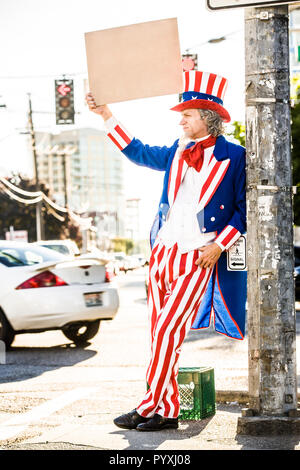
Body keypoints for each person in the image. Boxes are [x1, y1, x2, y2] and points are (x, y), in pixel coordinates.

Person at [86, 70, 246, 432]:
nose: (181, 119)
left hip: (198, 255)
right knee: (159, 332)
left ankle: (147, 407)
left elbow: (243, 210)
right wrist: (106, 114)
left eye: (187, 114)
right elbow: (137, 151)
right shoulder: (177, 151)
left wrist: (219, 245)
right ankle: (168, 409)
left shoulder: (235, 156)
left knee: (169, 329)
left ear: (207, 118)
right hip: (163, 254)